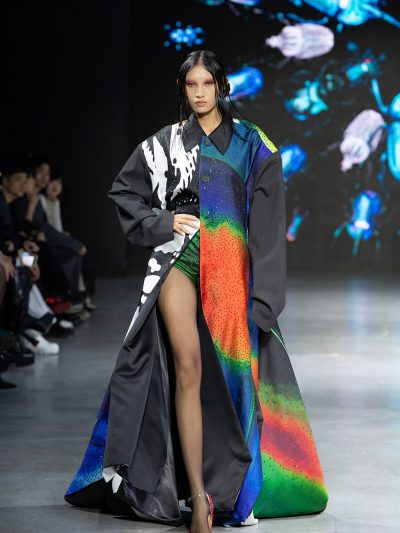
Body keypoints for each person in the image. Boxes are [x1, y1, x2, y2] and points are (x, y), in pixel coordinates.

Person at [64, 50, 329, 531]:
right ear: (183, 89)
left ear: (222, 87)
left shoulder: (252, 143)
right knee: (186, 366)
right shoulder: (166, 142)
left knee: (234, 378)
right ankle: (200, 499)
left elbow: (269, 223)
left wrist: (267, 297)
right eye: (192, 84)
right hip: (177, 260)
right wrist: (162, 221)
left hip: (231, 271)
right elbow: (124, 191)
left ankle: (234, 490)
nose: (201, 92)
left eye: (208, 83)